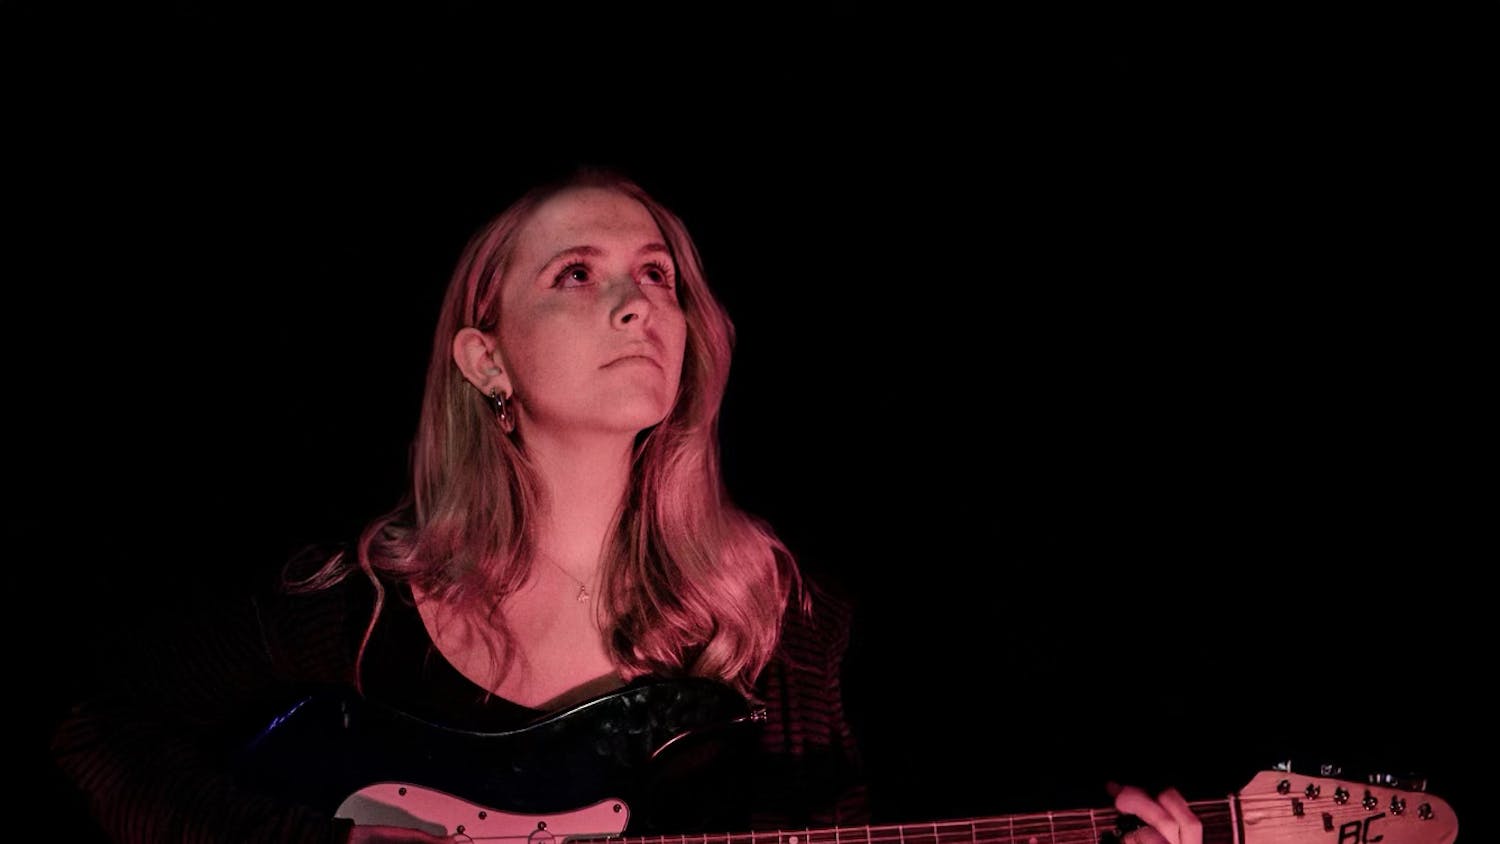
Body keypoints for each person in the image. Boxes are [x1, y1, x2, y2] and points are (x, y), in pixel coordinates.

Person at [49, 166, 1202, 843]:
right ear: (485, 359)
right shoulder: (352, 602)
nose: (637, 302)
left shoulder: (778, 622)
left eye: (657, 273)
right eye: (576, 274)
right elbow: (97, 728)